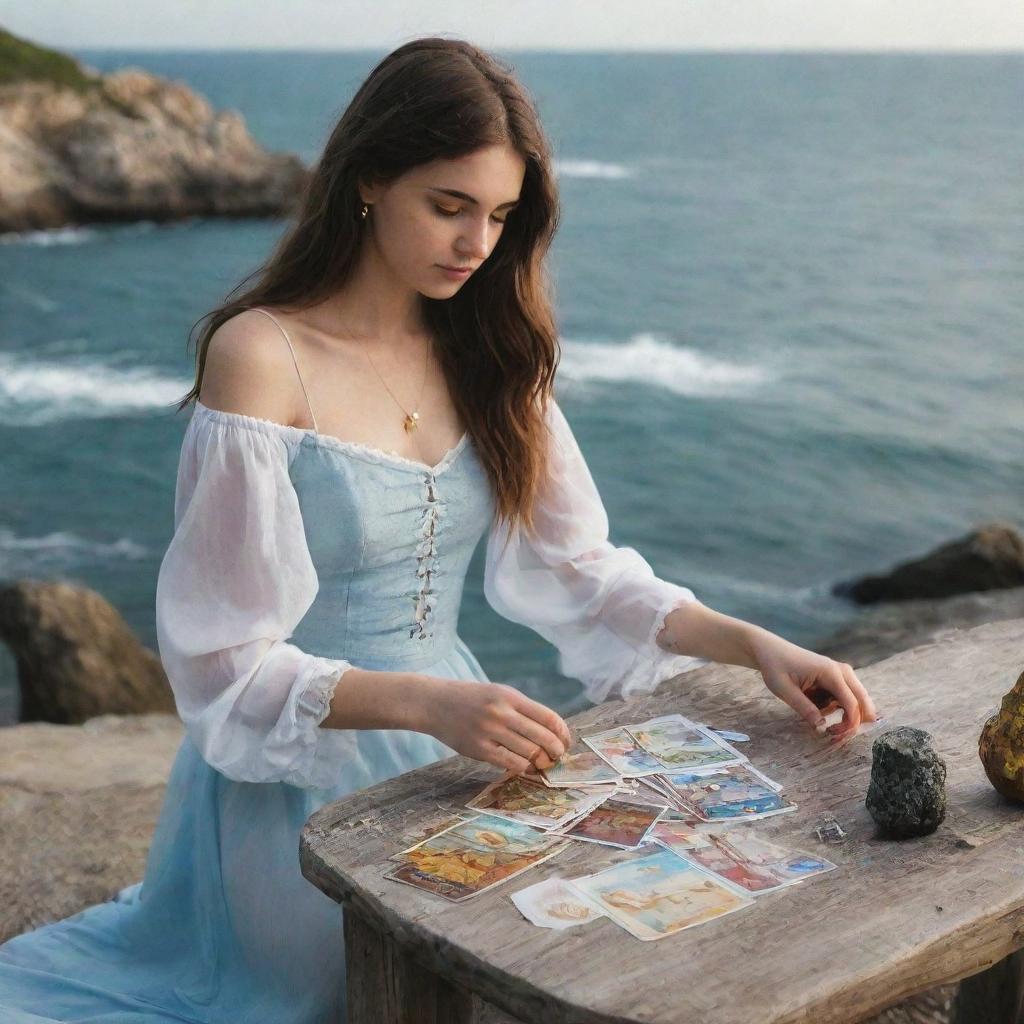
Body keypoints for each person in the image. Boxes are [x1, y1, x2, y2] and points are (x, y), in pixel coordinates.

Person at [0, 36, 877, 1023]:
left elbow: (582, 569)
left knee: (590, 950)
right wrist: (428, 702)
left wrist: (752, 641)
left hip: (459, 751)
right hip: (297, 772)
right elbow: (220, 659)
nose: (474, 245)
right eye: (448, 206)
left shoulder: (492, 353)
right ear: (370, 179)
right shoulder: (261, 357)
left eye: (499, 216)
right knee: (345, 993)